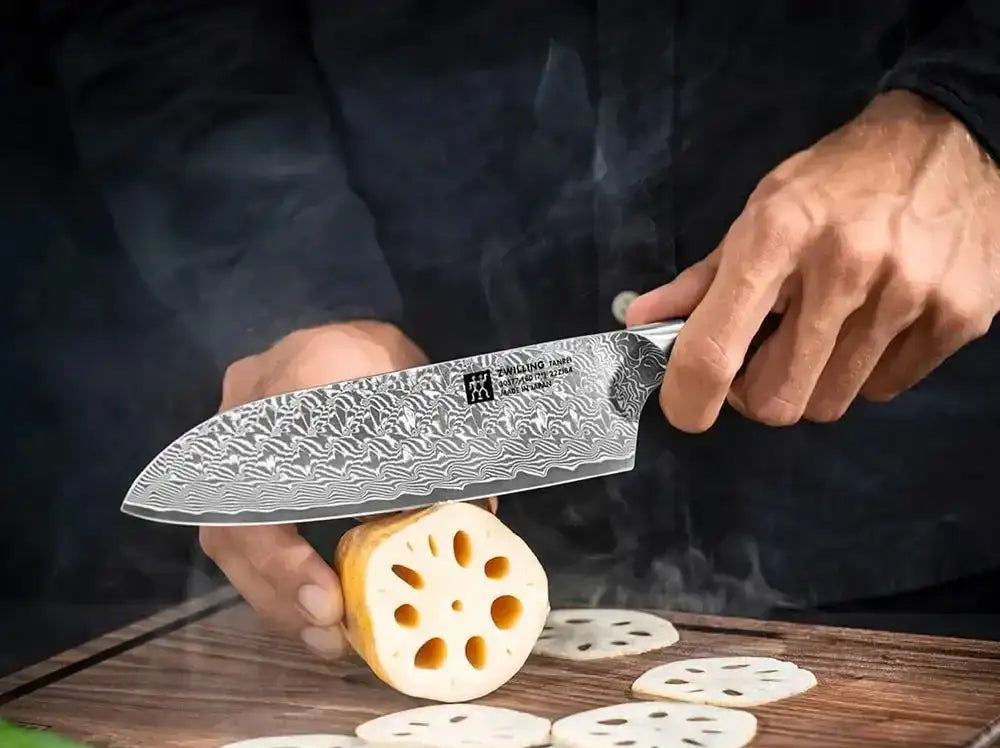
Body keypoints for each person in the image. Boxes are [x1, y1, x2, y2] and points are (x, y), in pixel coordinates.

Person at [33, 2, 1000, 657]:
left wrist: (968, 118)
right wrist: (295, 301)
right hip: (426, 348)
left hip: (922, 501)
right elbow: (162, 26)